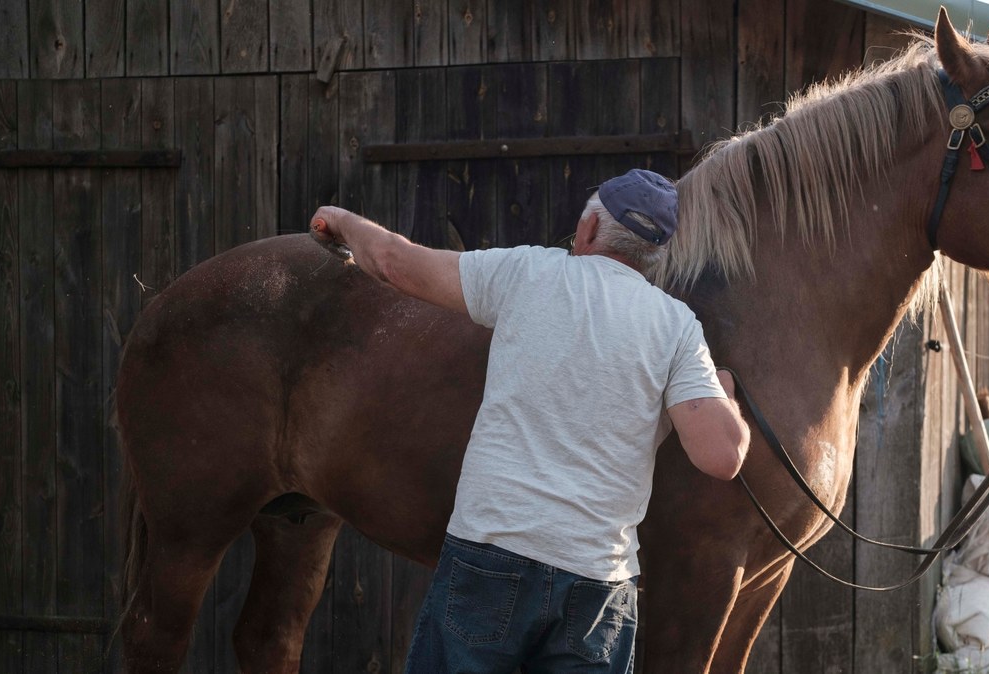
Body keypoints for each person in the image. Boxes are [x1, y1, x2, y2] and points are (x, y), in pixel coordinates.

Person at [309, 168, 750, 673]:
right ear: (656, 255)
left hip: (491, 558)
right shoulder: (676, 327)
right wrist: (725, 397)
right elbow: (722, 457)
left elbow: (394, 263)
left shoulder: (529, 273)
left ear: (587, 230)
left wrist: (342, 221)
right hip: (597, 587)